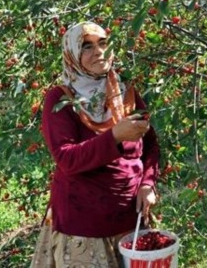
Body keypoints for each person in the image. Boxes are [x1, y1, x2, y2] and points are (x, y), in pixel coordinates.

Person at [31, 22, 160, 267]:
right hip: (84, 227)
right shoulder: (60, 99)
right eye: (87, 47)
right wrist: (114, 136)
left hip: (130, 222)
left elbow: (151, 145)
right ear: (72, 54)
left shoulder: (125, 92)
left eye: (103, 43)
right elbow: (67, 159)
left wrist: (148, 184)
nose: (99, 52)